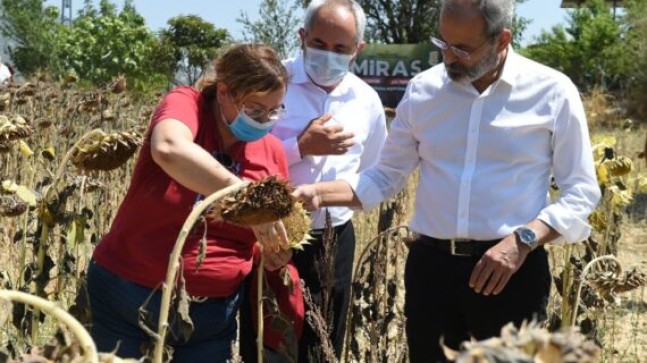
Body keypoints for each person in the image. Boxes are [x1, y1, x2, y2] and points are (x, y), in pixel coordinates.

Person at [292, 0, 602, 362]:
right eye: (443, 44)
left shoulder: (552, 91)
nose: (449, 59)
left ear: (502, 40)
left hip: (511, 272)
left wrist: (523, 240)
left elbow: (581, 192)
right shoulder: (424, 91)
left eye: (463, 49)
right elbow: (385, 175)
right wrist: (315, 193)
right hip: (431, 273)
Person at [87, 44, 295, 362]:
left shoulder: (272, 152)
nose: (265, 119)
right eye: (255, 110)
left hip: (210, 321)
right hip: (127, 299)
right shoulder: (188, 104)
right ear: (224, 92)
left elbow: (261, 241)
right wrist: (247, 199)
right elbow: (169, 148)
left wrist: (274, 252)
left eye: (274, 111)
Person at [240, 1, 387, 361]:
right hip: (271, 235)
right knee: (266, 341)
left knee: (323, 342)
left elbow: (372, 170)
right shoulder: (273, 85)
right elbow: (242, 158)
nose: (328, 56)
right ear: (302, 37)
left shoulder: (367, 101)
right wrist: (300, 148)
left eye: (341, 49)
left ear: (358, 50)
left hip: (333, 238)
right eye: (319, 44)